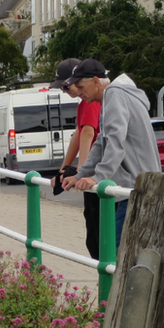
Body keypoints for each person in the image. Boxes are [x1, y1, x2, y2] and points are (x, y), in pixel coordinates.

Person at [61, 59, 161, 248]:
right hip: (138, 187)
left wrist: (99, 176)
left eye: (81, 86)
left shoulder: (114, 94)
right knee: (122, 252)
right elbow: (101, 142)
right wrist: (81, 174)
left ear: (96, 81)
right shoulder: (113, 96)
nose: (79, 92)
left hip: (135, 188)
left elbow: (115, 139)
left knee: (115, 252)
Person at [49, 58, 103, 259]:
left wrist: (81, 171)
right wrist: (63, 169)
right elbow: (78, 135)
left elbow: (88, 133)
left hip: (97, 171)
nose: (65, 91)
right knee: (93, 232)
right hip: (92, 169)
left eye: (66, 86)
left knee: (97, 235)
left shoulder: (90, 102)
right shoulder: (83, 103)